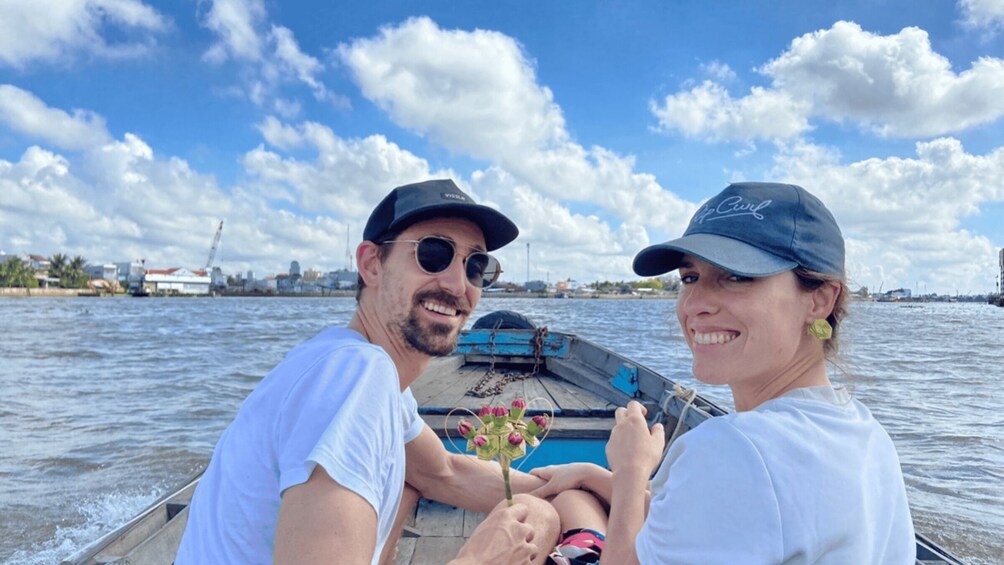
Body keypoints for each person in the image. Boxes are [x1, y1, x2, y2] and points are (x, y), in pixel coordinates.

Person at [175, 178, 559, 564]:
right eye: (433, 254)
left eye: (475, 266)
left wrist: (573, 482)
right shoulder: (356, 374)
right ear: (371, 265)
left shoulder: (365, 372)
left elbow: (443, 472)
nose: (458, 285)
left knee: (541, 513)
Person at [530, 182, 916, 564]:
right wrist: (592, 475)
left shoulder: (733, 449)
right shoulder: (868, 435)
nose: (695, 303)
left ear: (819, 299)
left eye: (736, 276)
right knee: (569, 499)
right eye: (690, 278)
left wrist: (631, 470)